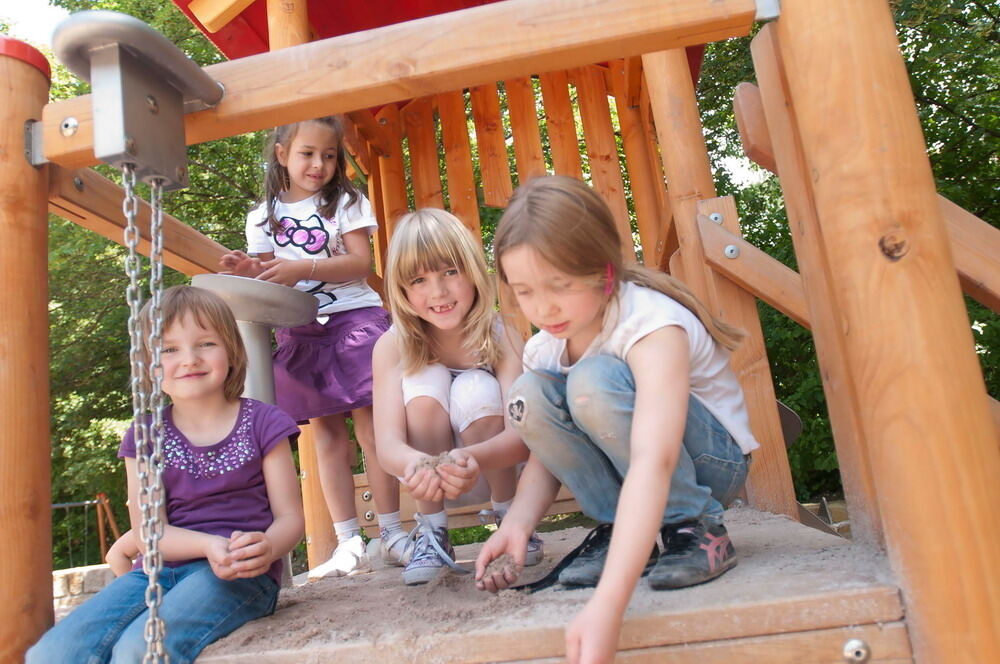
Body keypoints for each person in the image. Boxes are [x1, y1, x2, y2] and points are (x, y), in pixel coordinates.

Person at [475, 176, 757, 664]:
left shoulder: (649, 323)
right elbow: (546, 449)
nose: (544, 307)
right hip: (636, 474)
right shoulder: (546, 346)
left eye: (560, 286)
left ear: (605, 274)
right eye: (524, 291)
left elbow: (653, 457)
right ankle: (619, 531)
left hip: (706, 464)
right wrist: (518, 523)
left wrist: (609, 603)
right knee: (529, 396)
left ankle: (695, 526)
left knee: (593, 381)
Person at [27, 286, 304, 663]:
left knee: (141, 648)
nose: (189, 359)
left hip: (239, 576)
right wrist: (206, 545)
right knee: (53, 652)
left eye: (205, 343)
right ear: (147, 365)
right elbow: (149, 533)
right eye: (168, 349)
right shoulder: (144, 436)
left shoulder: (263, 422)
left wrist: (267, 548)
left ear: (231, 351)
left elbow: (289, 517)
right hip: (157, 573)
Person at [219, 116, 401, 578]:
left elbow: (360, 261)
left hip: (354, 320)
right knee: (326, 439)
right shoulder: (262, 217)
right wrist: (246, 268)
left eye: (329, 155)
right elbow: (267, 274)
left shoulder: (345, 201)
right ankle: (347, 542)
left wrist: (304, 267)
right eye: (307, 153)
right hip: (301, 331)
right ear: (282, 154)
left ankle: (394, 531)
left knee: (373, 429)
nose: (318, 164)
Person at [372, 209, 541, 585]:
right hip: (429, 480)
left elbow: (523, 434)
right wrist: (418, 465)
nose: (439, 292)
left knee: (475, 387)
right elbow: (386, 444)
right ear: (401, 290)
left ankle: (510, 520)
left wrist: (469, 458)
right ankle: (433, 534)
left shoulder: (504, 335)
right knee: (425, 379)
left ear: (473, 272)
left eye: (450, 272)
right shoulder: (391, 346)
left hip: (491, 465)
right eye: (419, 280)